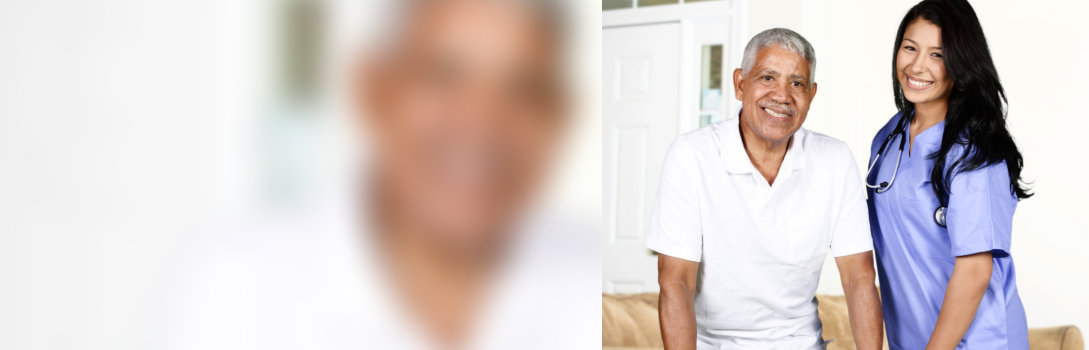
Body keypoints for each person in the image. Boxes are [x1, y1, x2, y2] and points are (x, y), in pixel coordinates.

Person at [168, 1, 599, 349]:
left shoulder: (584, 287)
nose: (482, 120)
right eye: (444, 75)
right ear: (374, 90)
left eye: (522, 89)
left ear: (558, 118)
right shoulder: (240, 288)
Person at [648, 28, 885, 350]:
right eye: (768, 78)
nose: (782, 95)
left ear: (811, 94)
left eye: (797, 83)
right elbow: (675, 281)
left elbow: (859, 279)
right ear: (740, 84)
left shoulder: (835, 159)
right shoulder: (692, 155)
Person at [865, 1, 1032, 349]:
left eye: (937, 55)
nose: (917, 65)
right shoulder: (888, 138)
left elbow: (974, 272)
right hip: (912, 336)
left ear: (960, 64)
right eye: (910, 48)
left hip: (977, 340)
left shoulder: (974, 151)